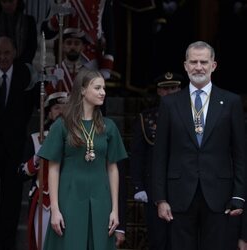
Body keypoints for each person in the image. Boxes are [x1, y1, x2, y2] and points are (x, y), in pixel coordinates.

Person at [151, 41, 246, 250]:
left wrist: (239, 195)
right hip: (179, 194)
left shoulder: (231, 101)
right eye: (193, 62)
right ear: (185, 66)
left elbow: (240, 154)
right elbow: (160, 155)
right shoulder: (170, 103)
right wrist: (160, 198)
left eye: (204, 61)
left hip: (220, 195)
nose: (198, 67)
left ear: (214, 65)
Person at [37, 68, 128, 250]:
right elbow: (53, 169)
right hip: (69, 195)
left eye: (103, 88)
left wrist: (115, 210)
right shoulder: (61, 125)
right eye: (97, 88)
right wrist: (55, 209)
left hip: (101, 197)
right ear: (83, 90)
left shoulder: (109, 127)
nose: (103, 92)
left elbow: (113, 168)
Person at [130, 71, 182, 250]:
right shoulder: (147, 118)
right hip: (154, 187)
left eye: (173, 88)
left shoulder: (193, 116)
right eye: (165, 89)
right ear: (159, 91)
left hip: (184, 187)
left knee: (182, 239)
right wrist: (138, 186)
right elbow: (137, 155)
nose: (170, 93)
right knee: (158, 238)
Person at [0, 36, 39, 250]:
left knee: (11, 203)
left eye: (6, 53)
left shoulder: (25, 74)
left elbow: (39, 104)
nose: (2, 57)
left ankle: (6, 245)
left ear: (14, 53)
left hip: (15, 150)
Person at [18, 91, 68, 250]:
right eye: (57, 108)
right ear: (48, 113)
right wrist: (37, 158)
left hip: (71, 199)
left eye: (66, 108)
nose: (61, 112)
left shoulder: (81, 138)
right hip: (44, 202)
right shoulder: (36, 138)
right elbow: (21, 173)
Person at [41, 0, 115, 80]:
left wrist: (106, 67)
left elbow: (109, 35)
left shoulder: (102, 2)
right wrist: (59, 15)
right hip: (65, 58)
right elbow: (47, 33)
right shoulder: (65, 1)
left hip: (91, 60)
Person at [45, 27, 89, 94]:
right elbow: (45, 99)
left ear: (83, 47)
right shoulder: (50, 72)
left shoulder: (89, 74)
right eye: (68, 43)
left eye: (77, 43)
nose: (72, 47)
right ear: (62, 46)